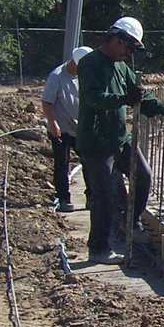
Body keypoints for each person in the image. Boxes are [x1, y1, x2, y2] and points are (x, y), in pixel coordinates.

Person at [77, 17, 164, 263]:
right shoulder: (90, 63)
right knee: (103, 196)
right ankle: (98, 248)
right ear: (116, 40)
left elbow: (141, 96)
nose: (128, 54)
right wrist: (123, 98)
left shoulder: (121, 67)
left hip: (118, 138)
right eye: (128, 48)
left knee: (144, 175)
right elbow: (95, 97)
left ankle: (132, 220)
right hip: (96, 142)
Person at [41, 45, 93, 212]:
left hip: (79, 128)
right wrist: (52, 122)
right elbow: (46, 102)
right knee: (62, 163)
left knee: (90, 162)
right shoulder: (56, 77)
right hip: (60, 128)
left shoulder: (82, 75)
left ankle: (91, 197)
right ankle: (63, 198)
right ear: (74, 63)